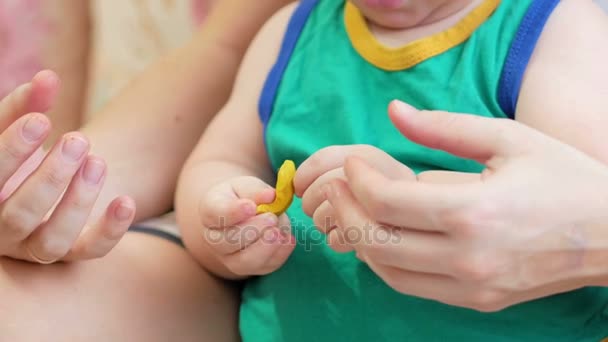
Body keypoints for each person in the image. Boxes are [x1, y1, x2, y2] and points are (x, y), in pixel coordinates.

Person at [175, 0, 608, 340]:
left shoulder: (558, 30)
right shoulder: (289, 32)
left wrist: (415, 196)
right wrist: (222, 222)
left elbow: (579, 200)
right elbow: (219, 161)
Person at [0, 0, 291, 340]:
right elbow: (223, 49)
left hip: (246, 237)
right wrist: (59, 187)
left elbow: (227, 49)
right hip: (189, 221)